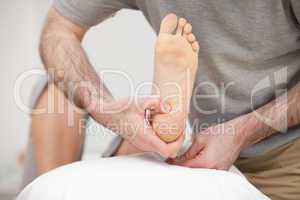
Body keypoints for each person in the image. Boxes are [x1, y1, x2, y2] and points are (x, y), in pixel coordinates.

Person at [25, 1, 300, 199]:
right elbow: (57, 31)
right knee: (54, 92)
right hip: (194, 149)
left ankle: (161, 127)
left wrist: (240, 134)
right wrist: (107, 110)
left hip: (286, 149)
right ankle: (160, 127)